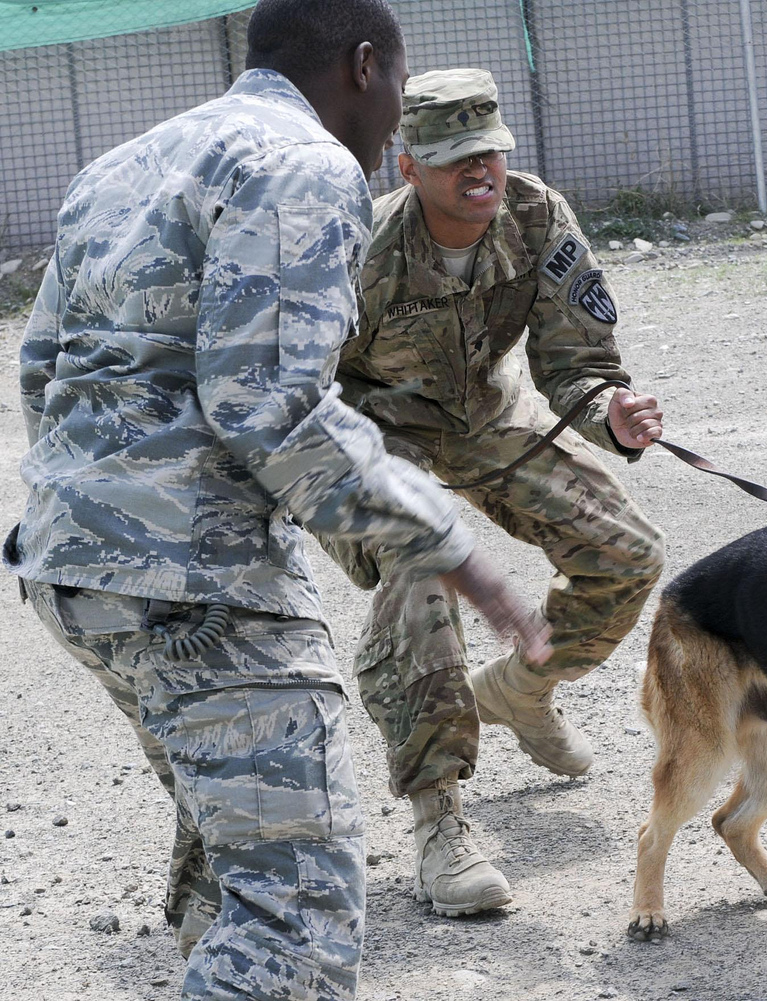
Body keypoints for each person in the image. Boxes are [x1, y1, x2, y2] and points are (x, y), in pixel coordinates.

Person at [4, 8, 549, 1000]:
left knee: (232, 844)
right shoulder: (304, 165)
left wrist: (90, 520)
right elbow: (269, 404)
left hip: (74, 570)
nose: (394, 126)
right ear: (365, 64)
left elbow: (41, 370)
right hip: (203, 587)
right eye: (396, 90)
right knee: (293, 921)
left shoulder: (129, 162)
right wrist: (445, 539)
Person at [325, 67, 666, 918]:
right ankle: (439, 815)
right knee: (419, 564)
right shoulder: (357, 254)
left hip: (483, 413)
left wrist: (610, 413)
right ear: (407, 168)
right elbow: (302, 389)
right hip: (376, 434)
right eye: (453, 160)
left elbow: (579, 364)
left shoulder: (538, 215)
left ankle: (518, 688)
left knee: (629, 554)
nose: (480, 173)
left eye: (490, 154)